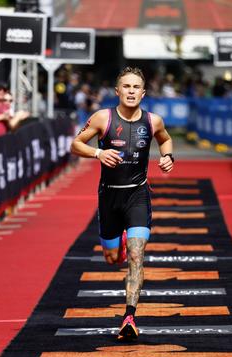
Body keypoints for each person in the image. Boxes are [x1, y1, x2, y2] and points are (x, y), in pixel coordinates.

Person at [70, 67, 174, 341]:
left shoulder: (154, 121)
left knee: (137, 256)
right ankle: (123, 246)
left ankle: (129, 316)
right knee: (112, 259)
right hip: (109, 196)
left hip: (137, 195)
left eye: (135, 87)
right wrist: (98, 152)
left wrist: (168, 157)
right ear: (117, 91)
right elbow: (76, 144)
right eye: (125, 86)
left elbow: (165, 140)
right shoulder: (103, 118)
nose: (130, 91)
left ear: (143, 92)